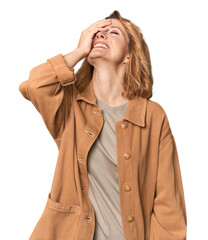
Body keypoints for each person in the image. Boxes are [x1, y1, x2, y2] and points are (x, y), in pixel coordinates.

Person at [19, 10, 187, 240]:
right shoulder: (70, 106)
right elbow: (34, 86)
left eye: (113, 32)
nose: (100, 35)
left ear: (129, 55)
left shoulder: (152, 115)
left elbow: (169, 206)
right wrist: (78, 52)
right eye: (96, 33)